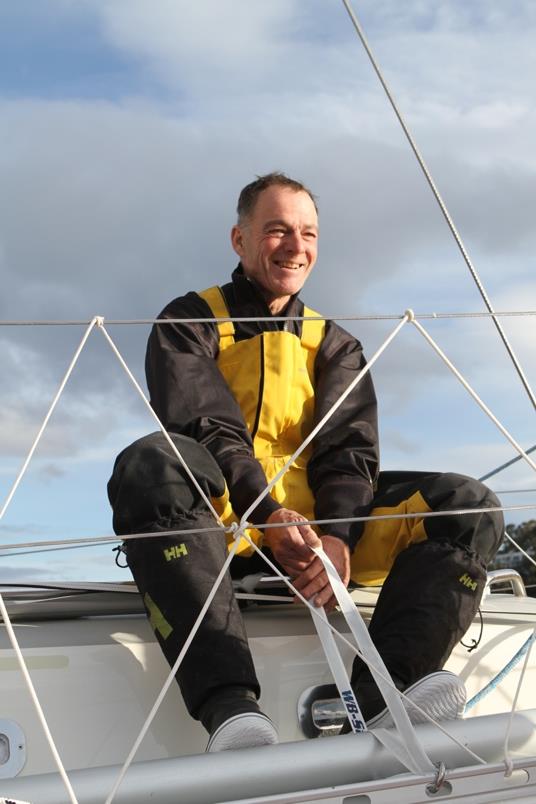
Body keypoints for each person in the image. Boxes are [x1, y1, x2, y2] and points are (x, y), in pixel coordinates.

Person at [108, 172, 503, 751]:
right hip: (227, 527)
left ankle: (387, 695)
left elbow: (349, 453)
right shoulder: (188, 322)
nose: (296, 247)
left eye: (308, 232)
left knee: (469, 505)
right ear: (239, 240)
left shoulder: (334, 343)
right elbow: (209, 427)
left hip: (319, 539)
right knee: (152, 463)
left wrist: (338, 538)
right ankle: (232, 710)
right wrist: (268, 514)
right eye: (277, 231)